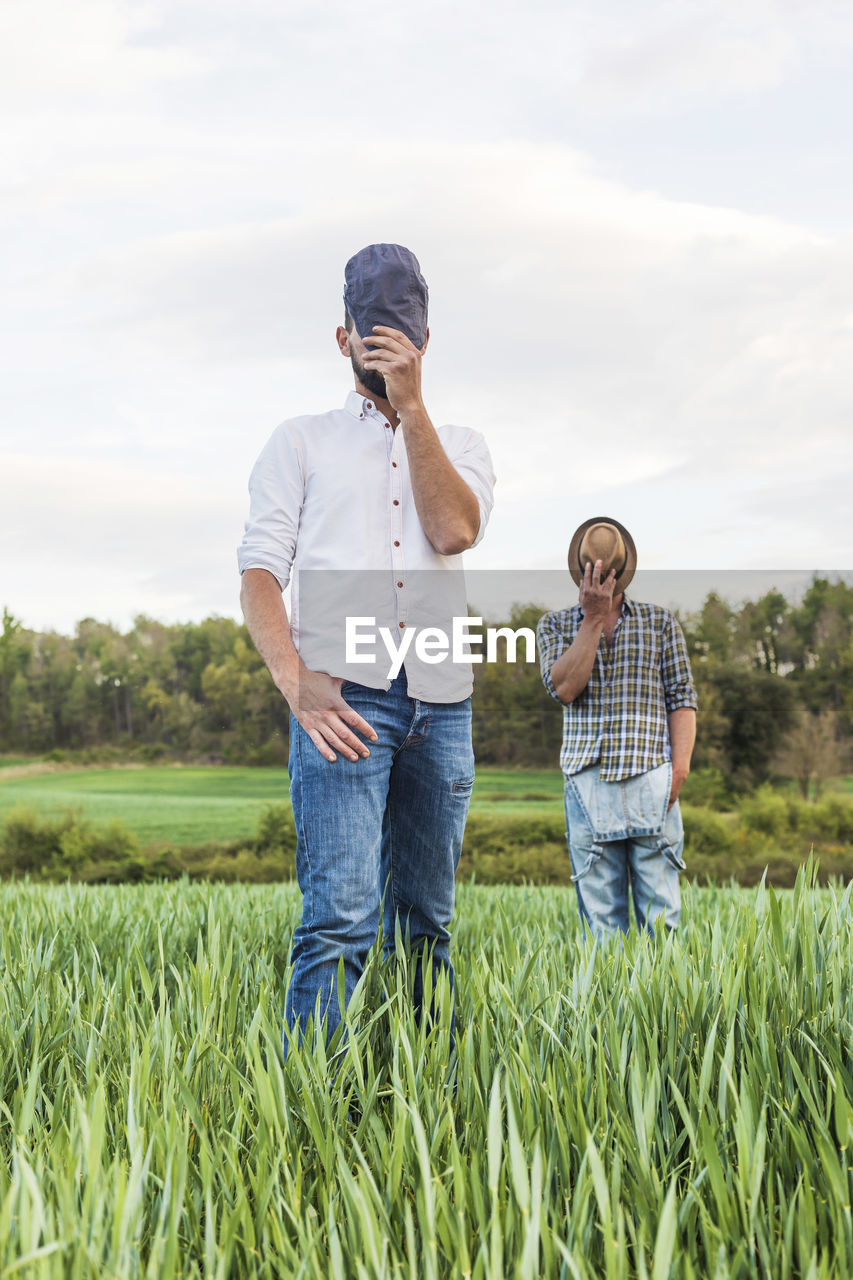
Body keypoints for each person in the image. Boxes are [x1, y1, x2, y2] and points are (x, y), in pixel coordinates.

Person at [237, 243, 495, 1046]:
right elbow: (257, 571)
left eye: (401, 338)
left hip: (441, 710)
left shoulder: (462, 443)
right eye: (371, 334)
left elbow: (452, 529)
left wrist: (411, 410)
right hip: (343, 705)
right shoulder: (298, 441)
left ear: (424, 343)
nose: (384, 349)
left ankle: (429, 1103)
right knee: (340, 921)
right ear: (342, 338)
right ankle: (308, 1117)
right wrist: (295, 680)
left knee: (426, 923)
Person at [536, 518, 697, 939]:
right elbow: (566, 689)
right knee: (602, 926)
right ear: (583, 571)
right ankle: (611, 1006)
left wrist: (679, 770)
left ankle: (662, 1006)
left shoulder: (661, 623)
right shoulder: (554, 626)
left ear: (620, 572)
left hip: (653, 781)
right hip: (587, 785)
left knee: (662, 922)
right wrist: (592, 619)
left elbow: (682, 699)